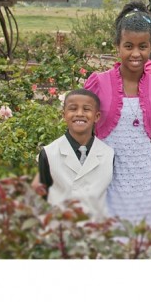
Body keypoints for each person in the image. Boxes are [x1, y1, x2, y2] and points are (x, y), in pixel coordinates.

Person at [84, 0, 151, 236]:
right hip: (108, 181)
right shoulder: (97, 82)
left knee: (144, 242)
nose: (135, 53)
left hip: (144, 179)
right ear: (117, 46)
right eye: (128, 46)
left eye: (143, 46)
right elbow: (81, 131)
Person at [32, 89, 115, 221]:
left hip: (97, 231)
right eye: (73, 109)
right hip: (60, 229)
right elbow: (41, 195)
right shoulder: (49, 153)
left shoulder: (109, 154)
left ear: (97, 116)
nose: (79, 114)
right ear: (64, 114)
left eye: (86, 109)